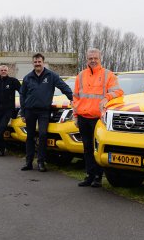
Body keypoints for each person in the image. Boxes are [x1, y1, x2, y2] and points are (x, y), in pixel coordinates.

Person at [73, 48, 124, 187]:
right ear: (86, 59)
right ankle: (89, 175)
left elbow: (118, 91)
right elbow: (76, 98)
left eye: (95, 58)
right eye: (90, 58)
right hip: (83, 117)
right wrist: (75, 116)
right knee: (87, 148)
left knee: (97, 149)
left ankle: (98, 177)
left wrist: (106, 98)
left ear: (100, 58)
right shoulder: (80, 76)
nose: (93, 60)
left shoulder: (108, 75)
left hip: (98, 119)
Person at [20, 53, 73, 172]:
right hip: (30, 111)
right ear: (33, 63)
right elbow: (22, 95)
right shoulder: (28, 78)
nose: (37, 64)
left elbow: (63, 86)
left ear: (43, 62)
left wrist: (73, 98)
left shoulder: (51, 75)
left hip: (44, 111)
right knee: (30, 136)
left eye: (39, 62)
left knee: (43, 135)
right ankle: (28, 162)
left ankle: (41, 162)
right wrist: (23, 112)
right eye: (35, 62)